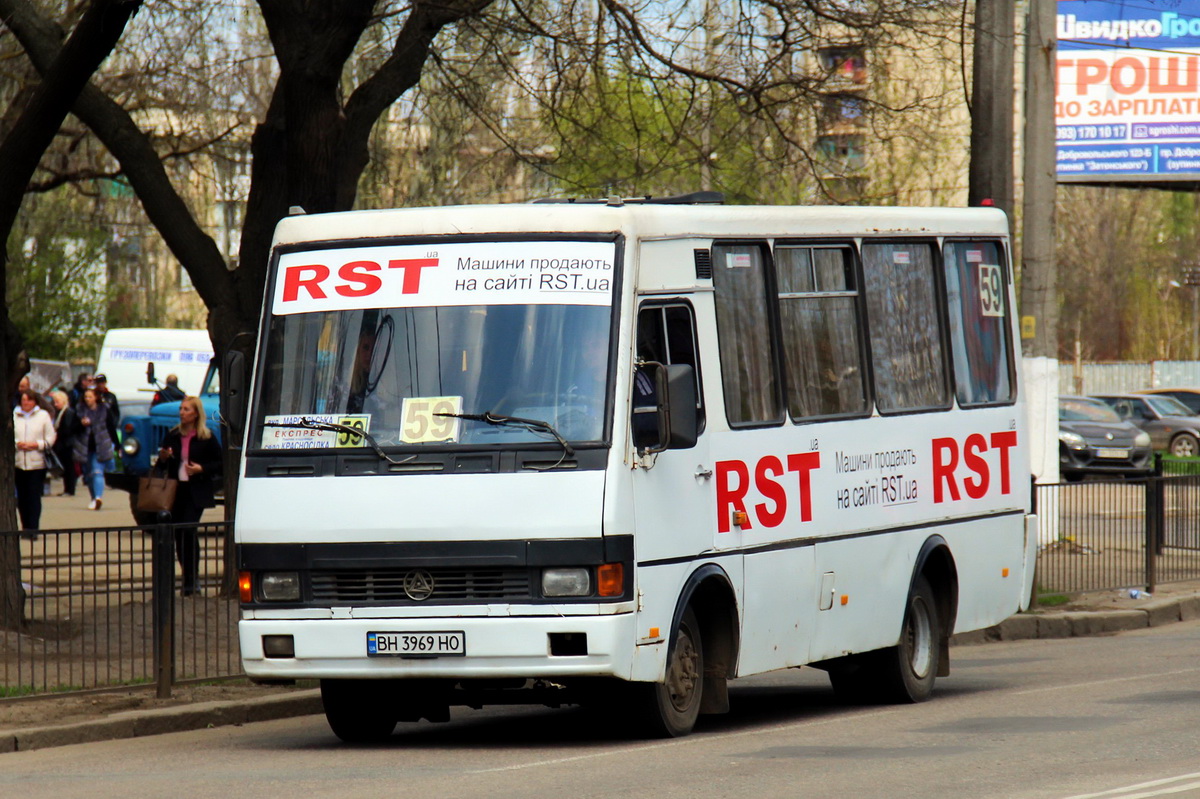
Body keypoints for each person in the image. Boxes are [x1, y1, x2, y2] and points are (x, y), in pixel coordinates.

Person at [157, 396, 222, 596]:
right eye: (181, 409)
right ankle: (186, 579)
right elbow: (161, 465)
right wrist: (164, 457)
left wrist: (202, 468)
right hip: (176, 490)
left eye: (186, 409)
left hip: (197, 490)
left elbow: (220, 463)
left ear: (196, 413)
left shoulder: (206, 437)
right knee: (178, 534)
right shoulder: (173, 435)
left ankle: (192, 579)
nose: (182, 412)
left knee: (188, 531)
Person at [14, 389, 56, 535]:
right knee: (22, 497)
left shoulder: (43, 416)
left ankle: (33, 528)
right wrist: (18, 444)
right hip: (18, 462)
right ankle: (25, 526)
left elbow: (50, 438)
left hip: (37, 463)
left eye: (29, 400)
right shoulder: (14, 415)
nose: (26, 403)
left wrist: (36, 445)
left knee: (33, 495)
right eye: (23, 400)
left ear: (35, 402)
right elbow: (9, 435)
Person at [72, 387, 117, 510]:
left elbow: (111, 428)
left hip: (100, 446)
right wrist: (81, 424)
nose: (87, 399)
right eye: (86, 397)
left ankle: (98, 497)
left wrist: (117, 445)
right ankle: (93, 498)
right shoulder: (79, 410)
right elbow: (72, 428)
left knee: (97, 471)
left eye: (90, 397)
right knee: (88, 475)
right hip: (85, 448)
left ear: (96, 397)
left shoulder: (104, 410)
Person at [50, 389, 78, 497]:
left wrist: (57, 433)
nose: (55, 404)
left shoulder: (68, 413)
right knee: (66, 467)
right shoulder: (59, 413)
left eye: (57, 402)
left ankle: (70, 489)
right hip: (63, 443)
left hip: (67, 444)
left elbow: (67, 429)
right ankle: (67, 488)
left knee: (69, 467)